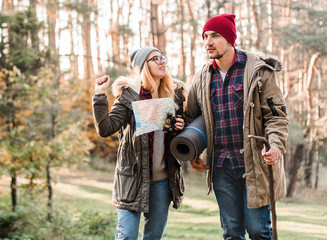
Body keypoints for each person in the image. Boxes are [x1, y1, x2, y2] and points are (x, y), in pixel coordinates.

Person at [184, 14, 289, 240]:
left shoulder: (259, 72)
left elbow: (276, 116)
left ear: (230, 39)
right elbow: (191, 116)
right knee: (231, 232)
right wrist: (194, 151)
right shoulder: (201, 76)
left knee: (258, 230)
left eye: (215, 36)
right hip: (221, 165)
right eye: (205, 36)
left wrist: (275, 146)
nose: (208, 42)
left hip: (255, 164)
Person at [92, 46, 186, 240]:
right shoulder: (130, 95)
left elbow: (177, 137)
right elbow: (106, 128)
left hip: (162, 180)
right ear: (144, 66)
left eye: (162, 57)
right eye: (155, 59)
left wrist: (179, 126)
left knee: (153, 237)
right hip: (132, 179)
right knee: (127, 236)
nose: (162, 62)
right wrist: (100, 95)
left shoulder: (174, 94)